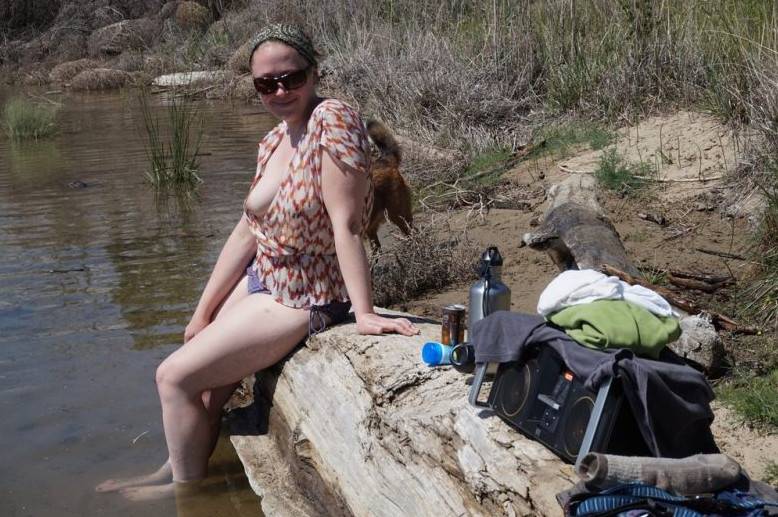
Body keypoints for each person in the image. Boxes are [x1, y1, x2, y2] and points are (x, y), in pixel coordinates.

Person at [96, 23, 419, 501]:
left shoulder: (332, 120)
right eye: (266, 84)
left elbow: (348, 224)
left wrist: (365, 313)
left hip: (305, 294)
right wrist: (202, 312)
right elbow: (247, 230)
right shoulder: (274, 140)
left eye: (292, 78)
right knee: (205, 384)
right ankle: (171, 469)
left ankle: (185, 494)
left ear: (314, 72)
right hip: (263, 278)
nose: (280, 91)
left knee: (173, 377)